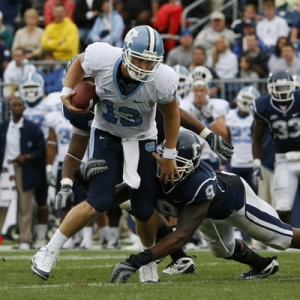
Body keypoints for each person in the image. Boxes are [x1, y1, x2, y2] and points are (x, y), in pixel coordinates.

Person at [30, 35, 234, 280]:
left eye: (150, 62)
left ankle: (148, 260)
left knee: (144, 208)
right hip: (106, 135)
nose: (144, 67)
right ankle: (49, 249)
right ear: (125, 52)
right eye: (139, 59)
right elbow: (79, 66)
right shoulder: (101, 62)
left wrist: (171, 153)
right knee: (100, 199)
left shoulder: (161, 79)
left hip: (143, 139)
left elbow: (172, 114)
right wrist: (66, 182)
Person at [109, 129, 300, 284]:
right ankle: (264, 266)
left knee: (281, 238)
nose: (167, 167)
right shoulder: (153, 168)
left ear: (190, 166)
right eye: (165, 159)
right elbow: (117, 195)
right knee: (222, 250)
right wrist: (89, 188)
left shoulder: (199, 184)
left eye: (177, 164)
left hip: (236, 200)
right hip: (208, 212)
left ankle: (180, 260)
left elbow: (181, 236)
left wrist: (138, 260)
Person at [251, 69, 300, 224]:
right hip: (283, 159)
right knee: (283, 207)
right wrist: (257, 163)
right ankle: (286, 243)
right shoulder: (263, 106)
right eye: (279, 88)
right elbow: (257, 138)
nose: (283, 92)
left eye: (286, 87)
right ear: (271, 88)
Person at [19, 72, 59, 248]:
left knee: (42, 199)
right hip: (24, 157)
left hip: (43, 156)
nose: (30, 92)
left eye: (33, 88)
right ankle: (25, 237)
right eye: (26, 88)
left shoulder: (49, 106)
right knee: (25, 201)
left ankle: (41, 238)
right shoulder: (19, 107)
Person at [0, 97, 45, 250]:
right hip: (5, 168)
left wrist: (27, 156)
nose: (17, 108)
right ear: (10, 108)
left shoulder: (32, 128)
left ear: (24, 108)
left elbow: (40, 150)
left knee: (25, 205)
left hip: (23, 169)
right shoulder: (4, 126)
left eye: (20, 105)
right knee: (2, 204)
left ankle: (25, 239)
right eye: (15, 105)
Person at [180, 67, 229, 170]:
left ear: (207, 90)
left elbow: (223, 133)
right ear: (192, 90)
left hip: (211, 155)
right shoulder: (184, 106)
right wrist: (192, 120)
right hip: (191, 154)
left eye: (202, 90)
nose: (199, 94)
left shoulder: (217, 106)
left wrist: (211, 119)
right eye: (196, 90)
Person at [225, 86, 260, 190]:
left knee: (254, 195)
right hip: (235, 161)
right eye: (244, 100)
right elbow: (228, 138)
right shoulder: (230, 116)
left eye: (249, 101)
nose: (246, 103)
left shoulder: (257, 118)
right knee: (235, 193)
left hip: (252, 162)